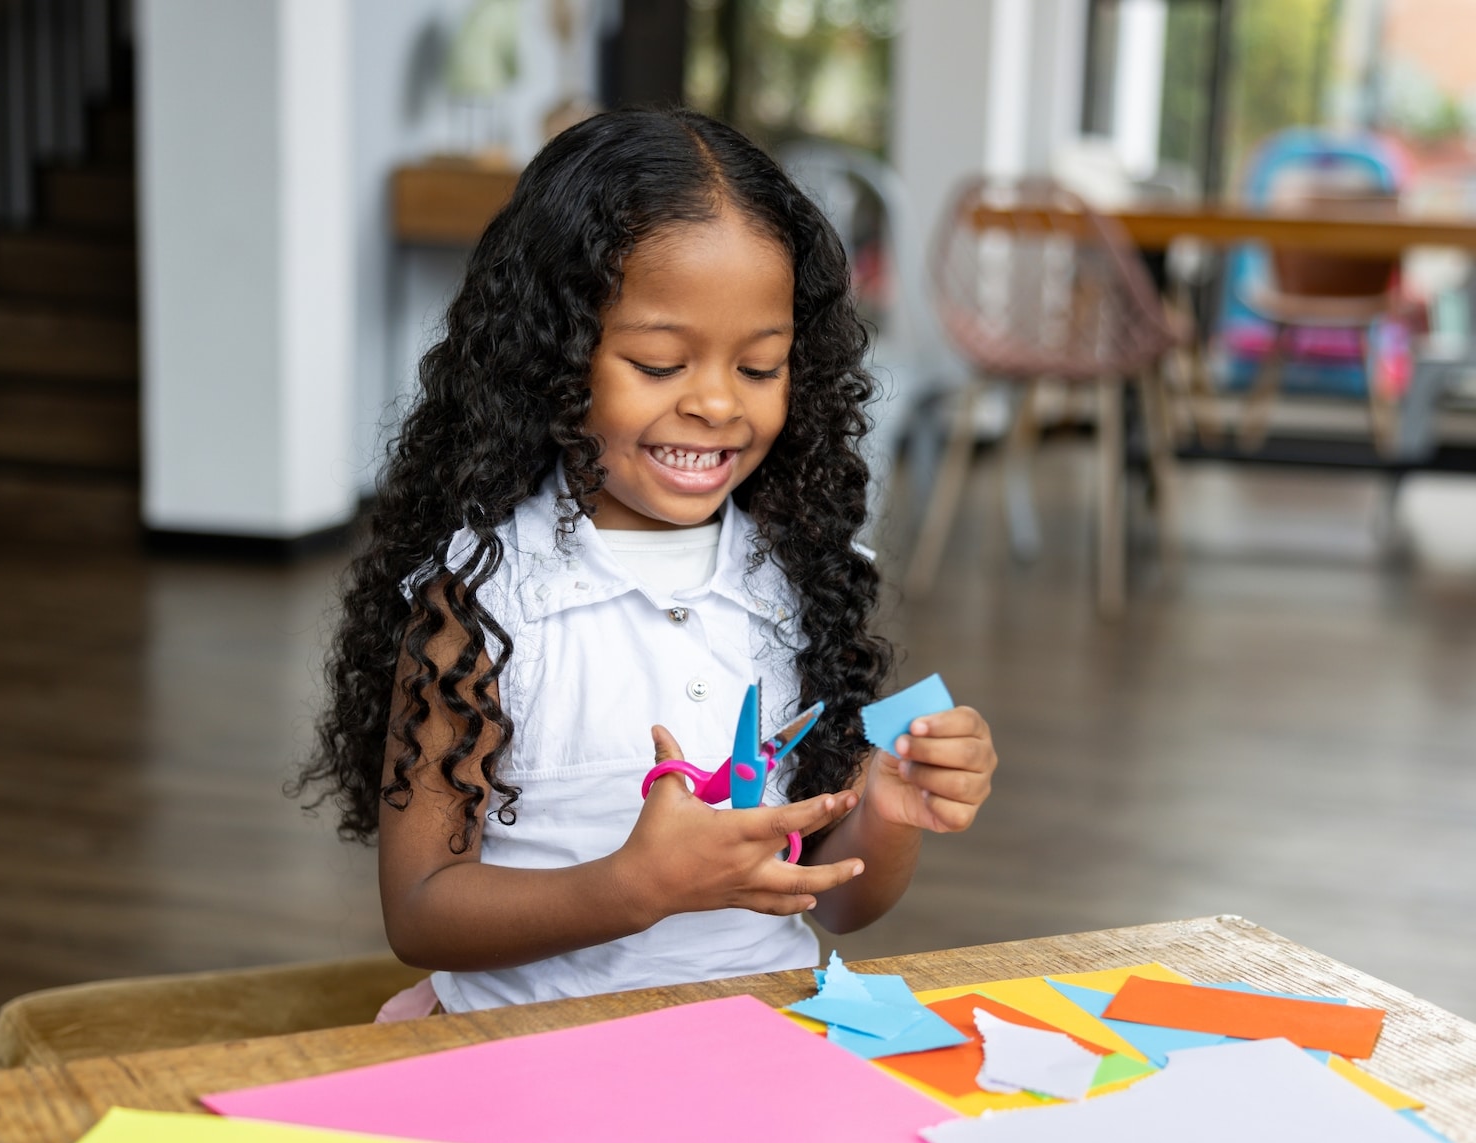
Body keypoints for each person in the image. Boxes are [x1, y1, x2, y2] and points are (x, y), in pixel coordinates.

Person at [298, 109, 998, 1016]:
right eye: (660, 364)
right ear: (553, 356)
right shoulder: (482, 604)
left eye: (759, 368)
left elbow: (837, 900)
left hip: (755, 1035)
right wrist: (635, 887)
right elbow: (421, 911)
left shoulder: (793, 578)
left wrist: (888, 811)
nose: (717, 404)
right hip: (530, 1051)